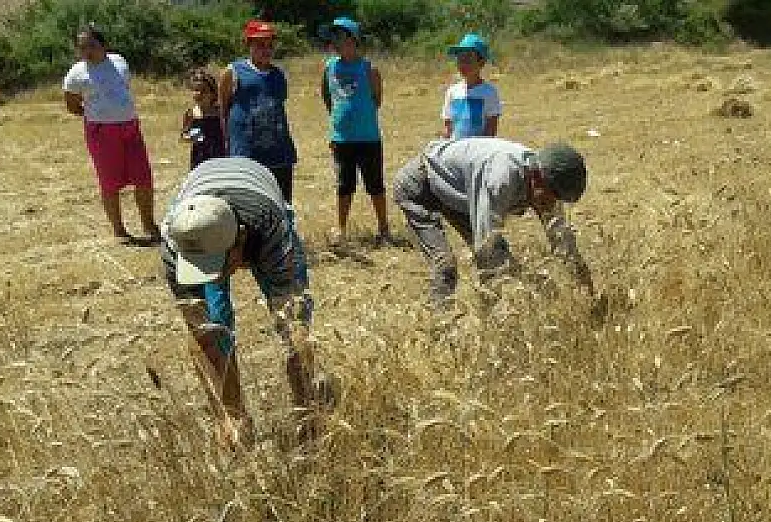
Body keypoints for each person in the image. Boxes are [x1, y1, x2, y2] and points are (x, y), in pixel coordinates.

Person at [159, 157, 316, 450]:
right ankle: (234, 418)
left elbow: (295, 321)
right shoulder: (174, 240)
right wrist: (229, 415)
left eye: (218, 263)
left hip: (256, 182)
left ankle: (307, 409)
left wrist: (308, 417)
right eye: (200, 266)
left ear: (241, 239)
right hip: (202, 190)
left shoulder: (271, 228)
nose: (212, 274)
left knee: (295, 324)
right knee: (213, 329)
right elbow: (200, 332)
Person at [392, 138, 594, 307]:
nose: (551, 204)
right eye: (552, 196)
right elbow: (486, 251)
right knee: (446, 266)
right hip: (420, 186)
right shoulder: (500, 179)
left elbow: (564, 243)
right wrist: (528, 284)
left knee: (501, 255)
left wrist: (587, 292)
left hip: (459, 191)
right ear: (537, 178)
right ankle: (436, 332)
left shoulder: (548, 181)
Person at [62, 23, 160, 245]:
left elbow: (123, 88)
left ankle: (149, 224)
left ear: (103, 45)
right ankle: (119, 230)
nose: (87, 51)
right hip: (101, 131)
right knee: (110, 182)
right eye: (82, 47)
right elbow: (72, 104)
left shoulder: (119, 61)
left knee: (143, 177)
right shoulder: (76, 73)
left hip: (130, 126)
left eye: (92, 45)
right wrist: (98, 118)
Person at [319, 17, 391, 246]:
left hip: (368, 137)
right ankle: (340, 229)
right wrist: (338, 123)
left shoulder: (369, 68)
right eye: (334, 37)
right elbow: (327, 96)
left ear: (353, 40)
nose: (335, 42)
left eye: (340, 36)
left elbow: (377, 99)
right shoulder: (329, 67)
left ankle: (384, 228)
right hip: (342, 139)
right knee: (344, 185)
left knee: (375, 185)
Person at [219, 19, 299, 204]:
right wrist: (227, 144)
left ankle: (283, 232)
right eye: (260, 45)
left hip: (278, 150)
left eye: (270, 45)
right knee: (249, 203)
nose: (266, 49)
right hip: (246, 151)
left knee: (281, 202)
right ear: (248, 44)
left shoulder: (278, 75)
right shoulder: (233, 72)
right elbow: (223, 110)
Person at [441, 34, 502, 140]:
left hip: (477, 152)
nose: (463, 64)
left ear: (481, 63)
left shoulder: (489, 93)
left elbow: (491, 131)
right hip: (456, 150)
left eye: (468, 60)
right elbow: (448, 128)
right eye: (460, 59)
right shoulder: (452, 92)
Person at [180, 68, 227, 171]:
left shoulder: (220, 112)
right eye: (196, 90)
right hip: (199, 156)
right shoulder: (191, 113)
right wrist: (190, 136)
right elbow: (183, 134)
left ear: (213, 93)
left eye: (203, 90)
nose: (199, 94)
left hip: (219, 155)